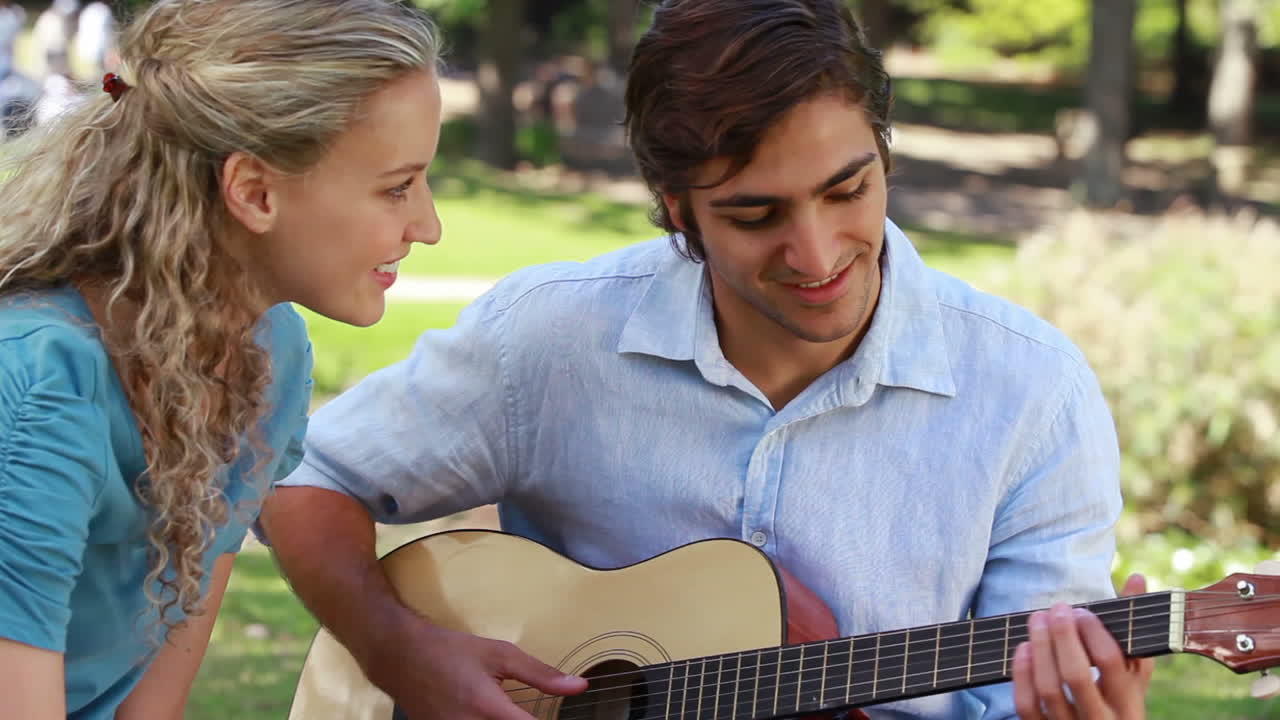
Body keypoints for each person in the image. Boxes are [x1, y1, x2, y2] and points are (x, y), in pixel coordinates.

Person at [260, 0, 1154, 718]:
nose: (817, 253)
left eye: (848, 190)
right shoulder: (546, 341)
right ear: (676, 207)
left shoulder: (1033, 394)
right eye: (756, 215)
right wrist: (399, 650)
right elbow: (302, 483)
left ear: (883, 153)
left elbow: (1033, 686)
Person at [0, 0, 443, 717]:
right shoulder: (36, 385)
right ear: (254, 192)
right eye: (397, 186)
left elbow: (162, 669)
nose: (427, 225)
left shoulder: (274, 353)